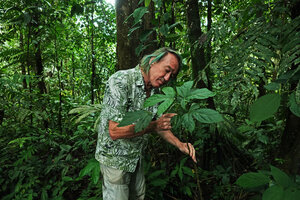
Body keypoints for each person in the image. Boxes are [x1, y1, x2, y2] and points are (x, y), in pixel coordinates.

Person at [95, 47, 197, 200]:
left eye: (172, 75)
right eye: (167, 70)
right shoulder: (121, 81)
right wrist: (153, 126)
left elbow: (160, 125)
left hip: (136, 158)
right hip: (115, 160)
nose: (167, 78)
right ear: (152, 61)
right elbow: (115, 131)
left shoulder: (155, 92)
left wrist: (180, 144)